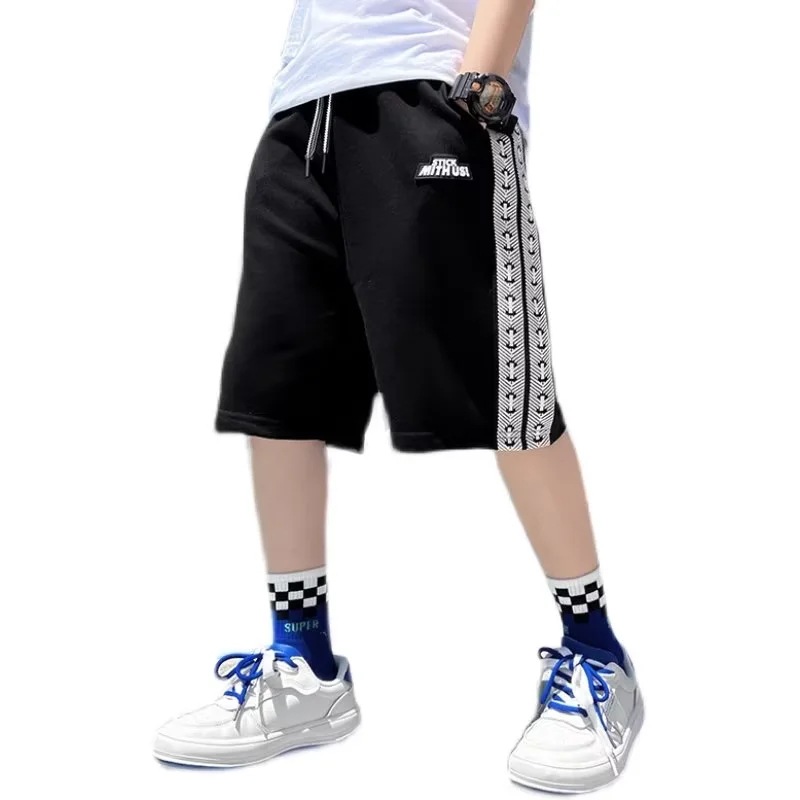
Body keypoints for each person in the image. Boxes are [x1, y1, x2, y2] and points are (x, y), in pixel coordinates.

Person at [153, 0, 644, 791]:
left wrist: (481, 80)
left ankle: (594, 652)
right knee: (279, 394)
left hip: (428, 88)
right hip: (304, 107)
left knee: (505, 391)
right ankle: (305, 665)